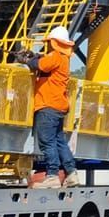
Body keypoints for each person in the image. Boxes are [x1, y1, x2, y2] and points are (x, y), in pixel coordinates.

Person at [26, 24, 77, 188]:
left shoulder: (56, 56)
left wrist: (28, 60)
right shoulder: (64, 58)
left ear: (54, 42)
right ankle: (71, 174)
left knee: (47, 143)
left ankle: (52, 176)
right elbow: (43, 62)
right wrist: (35, 56)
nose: (47, 45)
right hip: (58, 106)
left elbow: (40, 65)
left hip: (47, 106)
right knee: (59, 142)